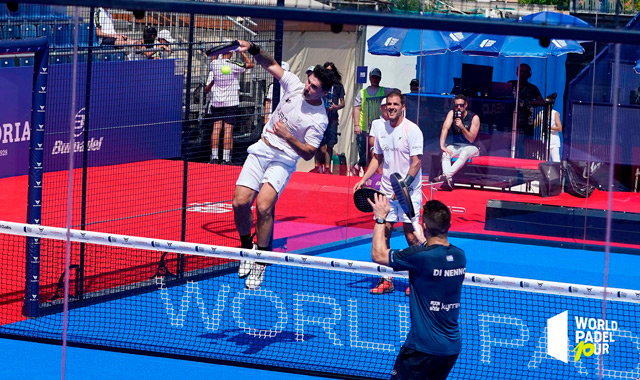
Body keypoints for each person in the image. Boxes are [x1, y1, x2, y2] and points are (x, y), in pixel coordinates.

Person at [232, 40, 337, 289]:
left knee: (264, 207)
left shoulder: (319, 119)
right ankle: (247, 250)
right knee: (239, 203)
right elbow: (272, 65)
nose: (308, 88)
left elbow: (310, 154)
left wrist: (288, 136)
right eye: (309, 82)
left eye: (314, 88)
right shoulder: (295, 85)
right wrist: (254, 48)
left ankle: (261, 261)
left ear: (324, 92)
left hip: (284, 158)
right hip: (262, 149)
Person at [369, 197, 466, 380]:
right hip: (450, 350)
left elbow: (378, 254)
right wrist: (424, 240)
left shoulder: (419, 257)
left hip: (421, 350)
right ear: (450, 225)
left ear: (424, 226)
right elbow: (435, 255)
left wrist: (380, 218)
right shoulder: (460, 256)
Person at [354, 91, 424, 295]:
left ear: (403, 106)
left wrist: (403, 187)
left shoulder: (413, 130)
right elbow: (377, 158)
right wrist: (364, 179)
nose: (391, 107)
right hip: (386, 191)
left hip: (409, 193)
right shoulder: (381, 129)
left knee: (412, 237)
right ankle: (387, 279)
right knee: (383, 231)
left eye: (395, 104)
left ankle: (416, 280)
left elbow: (417, 163)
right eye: (388, 105)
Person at [204, 47, 254, 164]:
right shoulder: (233, 65)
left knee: (216, 128)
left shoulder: (214, 65)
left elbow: (213, 58)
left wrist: (217, 51)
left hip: (216, 102)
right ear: (231, 53)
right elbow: (250, 64)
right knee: (228, 130)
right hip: (230, 103)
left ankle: (214, 157)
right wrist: (242, 52)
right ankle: (226, 159)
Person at [434, 94, 480, 191]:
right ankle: (448, 179)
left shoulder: (474, 117)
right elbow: (445, 128)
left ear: (466, 105)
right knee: (446, 153)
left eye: (461, 105)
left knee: (464, 153)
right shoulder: (452, 113)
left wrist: (462, 127)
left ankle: (445, 176)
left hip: (471, 146)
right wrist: (442, 145)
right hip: (456, 145)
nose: (458, 108)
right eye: (456, 106)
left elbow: (471, 138)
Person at [352, 68, 392, 176]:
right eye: (373, 77)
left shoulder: (384, 91)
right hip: (364, 127)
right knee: (364, 153)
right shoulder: (362, 92)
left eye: (377, 77)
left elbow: (397, 92)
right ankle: (363, 171)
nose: (375, 79)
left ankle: (372, 174)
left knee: (375, 153)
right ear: (369, 78)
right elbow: (356, 108)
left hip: (379, 127)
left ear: (380, 79)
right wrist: (356, 125)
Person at [310, 62, 345, 174]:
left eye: (331, 70)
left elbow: (343, 103)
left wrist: (337, 106)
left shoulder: (338, 86)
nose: (329, 73)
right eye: (327, 70)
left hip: (332, 117)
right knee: (318, 143)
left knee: (330, 143)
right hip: (321, 116)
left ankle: (327, 168)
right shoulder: (321, 84)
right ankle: (317, 167)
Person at [509, 63, 544, 158]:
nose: (522, 74)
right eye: (521, 71)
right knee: (508, 145)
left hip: (525, 122)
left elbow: (541, 102)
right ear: (517, 73)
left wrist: (527, 103)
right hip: (510, 121)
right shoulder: (510, 84)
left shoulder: (532, 88)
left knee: (523, 147)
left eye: (525, 72)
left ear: (529, 74)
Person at [538, 93, 562, 162]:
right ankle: (545, 173)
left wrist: (549, 127)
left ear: (551, 104)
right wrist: (539, 121)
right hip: (543, 140)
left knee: (556, 161)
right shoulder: (541, 113)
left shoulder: (555, 113)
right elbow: (534, 124)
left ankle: (557, 172)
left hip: (553, 141)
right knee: (544, 160)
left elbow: (559, 128)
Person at [368, 98, 389, 175]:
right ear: (381, 108)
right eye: (384, 106)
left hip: (391, 147)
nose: (386, 108)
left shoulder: (395, 122)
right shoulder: (376, 122)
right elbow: (371, 140)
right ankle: (380, 175)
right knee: (375, 152)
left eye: (388, 105)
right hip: (379, 147)